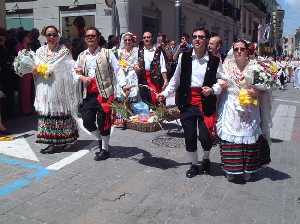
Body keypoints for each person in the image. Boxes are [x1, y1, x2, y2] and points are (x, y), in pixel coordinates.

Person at [158, 27, 225, 178]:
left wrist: (213, 89)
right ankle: (194, 165)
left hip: (205, 103)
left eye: (201, 37)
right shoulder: (184, 57)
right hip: (187, 102)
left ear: (206, 40)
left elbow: (223, 80)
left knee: (205, 137)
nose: (197, 39)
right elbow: (175, 80)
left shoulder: (214, 60)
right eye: (194, 36)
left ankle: (206, 159)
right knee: (189, 136)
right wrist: (164, 93)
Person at [217, 39, 271, 182]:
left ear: (247, 51)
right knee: (230, 137)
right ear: (232, 51)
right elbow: (221, 82)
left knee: (249, 136)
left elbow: (264, 89)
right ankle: (231, 169)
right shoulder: (226, 66)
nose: (239, 51)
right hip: (231, 107)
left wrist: (256, 92)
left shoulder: (255, 67)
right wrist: (218, 86)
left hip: (249, 107)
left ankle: (248, 169)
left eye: (242, 49)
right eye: (236, 49)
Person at [74, 27, 128, 161]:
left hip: (105, 93)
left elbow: (118, 70)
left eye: (93, 36)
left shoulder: (107, 53)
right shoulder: (82, 55)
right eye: (88, 36)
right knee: (87, 122)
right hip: (89, 94)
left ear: (98, 38)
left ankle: (105, 149)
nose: (90, 38)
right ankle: (100, 138)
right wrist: (81, 77)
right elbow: (74, 72)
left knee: (104, 122)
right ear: (85, 39)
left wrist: (124, 85)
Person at [33, 25, 80, 153]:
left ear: (58, 35)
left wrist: (78, 70)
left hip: (60, 89)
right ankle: (51, 142)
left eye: (54, 34)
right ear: (45, 36)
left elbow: (72, 66)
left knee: (62, 114)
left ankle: (68, 140)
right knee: (47, 114)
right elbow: (35, 67)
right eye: (49, 35)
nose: (52, 37)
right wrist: (35, 70)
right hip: (44, 88)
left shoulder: (63, 51)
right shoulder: (39, 51)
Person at [137, 31, 168, 105]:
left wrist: (166, 80)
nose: (146, 39)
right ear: (142, 39)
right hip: (143, 80)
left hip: (155, 80)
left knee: (157, 100)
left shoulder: (158, 51)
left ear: (152, 38)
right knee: (145, 102)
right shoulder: (139, 51)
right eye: (144, 38)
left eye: (148, 37)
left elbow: (163, 67)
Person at [16, 30, 34, 115]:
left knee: (28, 91)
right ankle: (25, 110)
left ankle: (29, 108)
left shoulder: (28, 46)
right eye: (28, 36)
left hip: (29, 72)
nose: (29, 37)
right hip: (23, 72)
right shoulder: (20, 46)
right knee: (24, 91)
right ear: (23, 38)